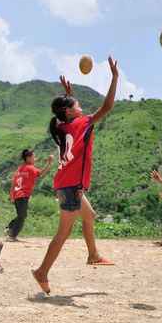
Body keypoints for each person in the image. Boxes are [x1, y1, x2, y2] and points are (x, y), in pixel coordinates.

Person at [31, 56, 119, 295]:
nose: (82, 108)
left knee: (89, 215)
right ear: (70, 111)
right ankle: (42, 272)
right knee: (63, 233)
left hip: (66, 183)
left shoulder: (61, 126)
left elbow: (67, 116)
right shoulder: (81, 124)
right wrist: (114, 77)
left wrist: (67, 93)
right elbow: (108, 107)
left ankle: (93, 255)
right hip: (70, 186)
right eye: (78, 105)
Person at [4, 149, 55, 242]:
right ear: (28, 158)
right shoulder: (31, 168)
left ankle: (9, 228)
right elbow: (41, 173)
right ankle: (11, 234)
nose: (35, 158)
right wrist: (49, 161)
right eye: (33, 157)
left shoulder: (20, 168)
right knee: (22, 216)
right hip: (23, 195)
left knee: (22, 215)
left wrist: (11, 195)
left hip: (17, 195)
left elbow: (14, 182)